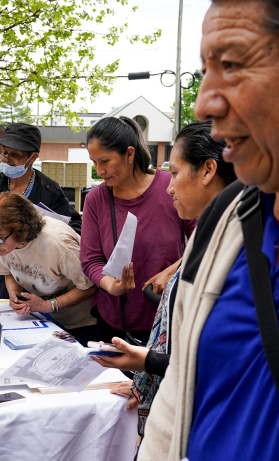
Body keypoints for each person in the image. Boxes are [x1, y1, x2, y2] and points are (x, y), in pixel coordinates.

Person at [127, 2, 279, 461]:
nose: (203, 103)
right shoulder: (228, 219)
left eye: (232, 65)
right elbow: (178, 397)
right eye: (204, 71)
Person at [91, 121, 236, 439]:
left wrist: (151, 363)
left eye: (176, 172)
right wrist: (150, 366)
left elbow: (224, 360)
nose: (169, 187)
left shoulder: (238, 249)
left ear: (209, 170)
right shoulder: (217, 232)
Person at [80, 116, 196, 344]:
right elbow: (90, 260)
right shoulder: (95, 199)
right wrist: (110, 286)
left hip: (165, 319)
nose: (99, 171)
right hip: (113, 323)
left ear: (130, 154)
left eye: (104, 161)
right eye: (94, 162)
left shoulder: (170, 186)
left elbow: (205, 239)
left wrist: (174, 269)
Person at [0, 122, 82, 299]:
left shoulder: (50, 191)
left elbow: (74, 230)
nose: (7, 160)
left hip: (37, 281)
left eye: (15, 156)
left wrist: (39, 237)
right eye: (4, 153)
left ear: (33, 157)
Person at [0, 192, 97, 343]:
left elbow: (90, 286)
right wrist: (15, 296)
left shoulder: (58, 243)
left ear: (23, 231)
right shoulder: (2, 242)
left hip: (81, 324)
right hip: (44, 319)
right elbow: (8, 271)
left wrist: (48, 305)